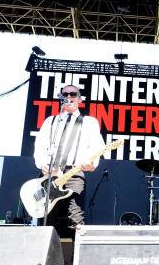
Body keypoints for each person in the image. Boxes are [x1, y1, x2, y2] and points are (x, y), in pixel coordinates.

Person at [33, 84, 105, 238]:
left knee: (75, 216)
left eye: (73, 94)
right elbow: (39, 145)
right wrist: (42, 163)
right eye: (65, 95)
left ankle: (77, 257)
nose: (69, 97)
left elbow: (97, 146)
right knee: (48, 217)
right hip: (50, 175)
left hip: (73, 172)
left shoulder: (89, 122)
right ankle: (46, 256)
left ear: (80, 99)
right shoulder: (51, 121)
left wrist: (92, 164)